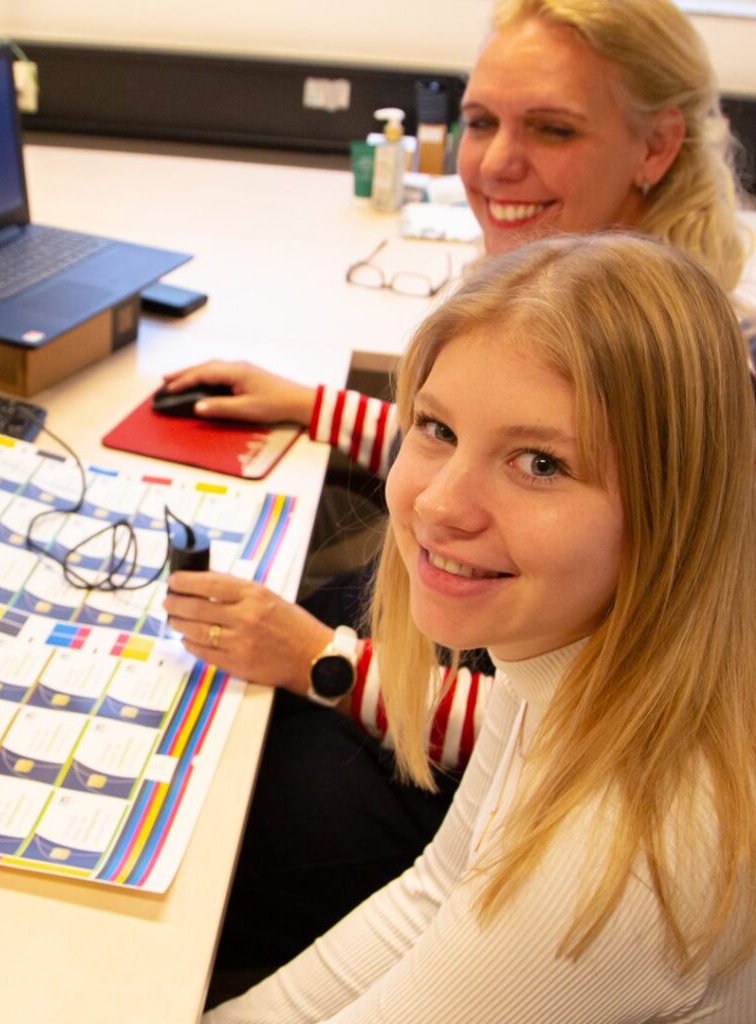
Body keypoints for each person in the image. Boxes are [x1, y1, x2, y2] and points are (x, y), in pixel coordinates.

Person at [166, 0, 754, 986]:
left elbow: (605, 698)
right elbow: (499, 443)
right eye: (480, 122)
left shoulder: (693, 376)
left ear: (656, 146)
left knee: (242, 826)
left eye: (552, 129)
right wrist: (316, 406)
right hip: (493, 680)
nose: (493, 165)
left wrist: (328, 665)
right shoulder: (572, 290)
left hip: (483, 718)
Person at [205, 230, 756, 1023]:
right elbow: (436, 889)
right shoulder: (560, 650)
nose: (438, 505)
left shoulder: (616, 856)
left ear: (671, 513)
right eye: (437, 429)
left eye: (540, 464)